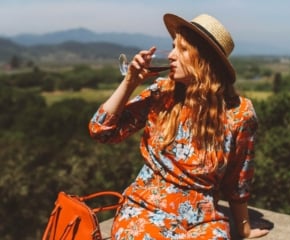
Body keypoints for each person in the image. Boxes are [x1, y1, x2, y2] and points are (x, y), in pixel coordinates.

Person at [89, 13, 270, 239]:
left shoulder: (240, 113)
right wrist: (130, 82)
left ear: (205, 60)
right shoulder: (162, 93)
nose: (172, 56)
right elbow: (101, 131)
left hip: (203, 219)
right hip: (146, 207)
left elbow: (239, 179)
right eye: (173, 47)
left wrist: (242, 228)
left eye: (183, 50)